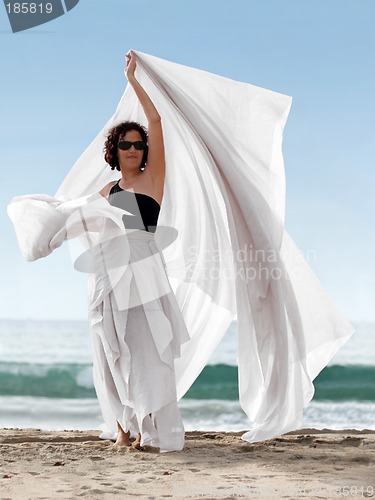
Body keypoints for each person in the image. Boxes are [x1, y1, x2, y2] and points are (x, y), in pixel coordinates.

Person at [89, 50, 190, 452]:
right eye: (125, 145)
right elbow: (83, 223)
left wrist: (132, 80)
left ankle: (150, 428)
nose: (133, 149)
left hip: (145, 271)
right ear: (114, 152)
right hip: (108, 274)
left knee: (148, 351)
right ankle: (121, 428)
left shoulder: (154, 179)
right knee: (108, 347)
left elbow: (156, 121)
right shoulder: (105, 192)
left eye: (138, 144)